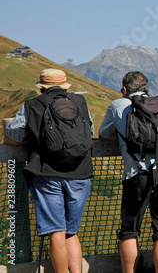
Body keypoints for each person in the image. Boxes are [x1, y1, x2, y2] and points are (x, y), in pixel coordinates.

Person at [5, 69, 93, 273]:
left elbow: (15, 134)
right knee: (72, 232)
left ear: (41, 88)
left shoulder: (32, 105)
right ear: (65, 86)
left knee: (56, 232)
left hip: (47, 175)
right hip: (80, 173)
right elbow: (88, 131)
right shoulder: (80, 103)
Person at [99, 71, 158, 273]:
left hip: (138, 173)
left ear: (124, 90)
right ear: (146, 89)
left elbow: (103, 133)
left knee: (129, 231)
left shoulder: (118, 105)